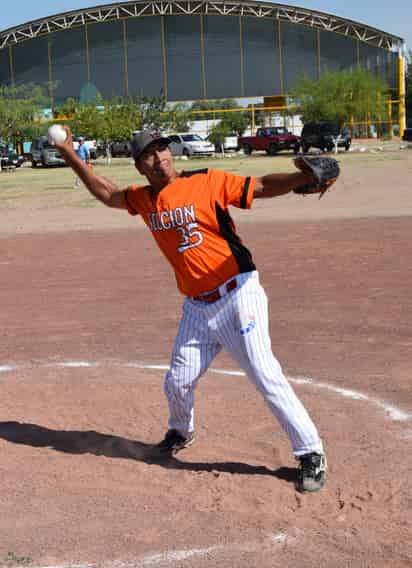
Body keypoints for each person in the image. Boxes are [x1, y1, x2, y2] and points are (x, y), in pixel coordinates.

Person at [56, 127, 331, 493]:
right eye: (151, 154)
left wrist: (302, 176)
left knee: (264, 373)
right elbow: (107, 193)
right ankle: (180, 432)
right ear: (140, 165)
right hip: (197, 309)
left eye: (163, 149)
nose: (161, 157)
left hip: (238, 294)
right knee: (178, 381)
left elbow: (262, 185)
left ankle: (310, 452)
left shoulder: (206, 182)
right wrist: (71, 156)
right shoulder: (143, 199)